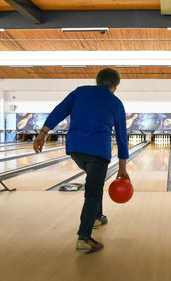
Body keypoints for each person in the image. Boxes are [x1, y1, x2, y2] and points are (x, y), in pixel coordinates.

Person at [33, 68, 129, 252]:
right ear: (115, 87)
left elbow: (59, 110)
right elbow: (122, 138)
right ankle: (84, 237)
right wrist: (122, 168)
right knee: (93, 192)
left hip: (76, 149)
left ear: (97, 81)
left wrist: (43, 133)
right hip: (99, 151)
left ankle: (98, 216)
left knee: (95, 182)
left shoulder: (79, 92)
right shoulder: (116, 103)